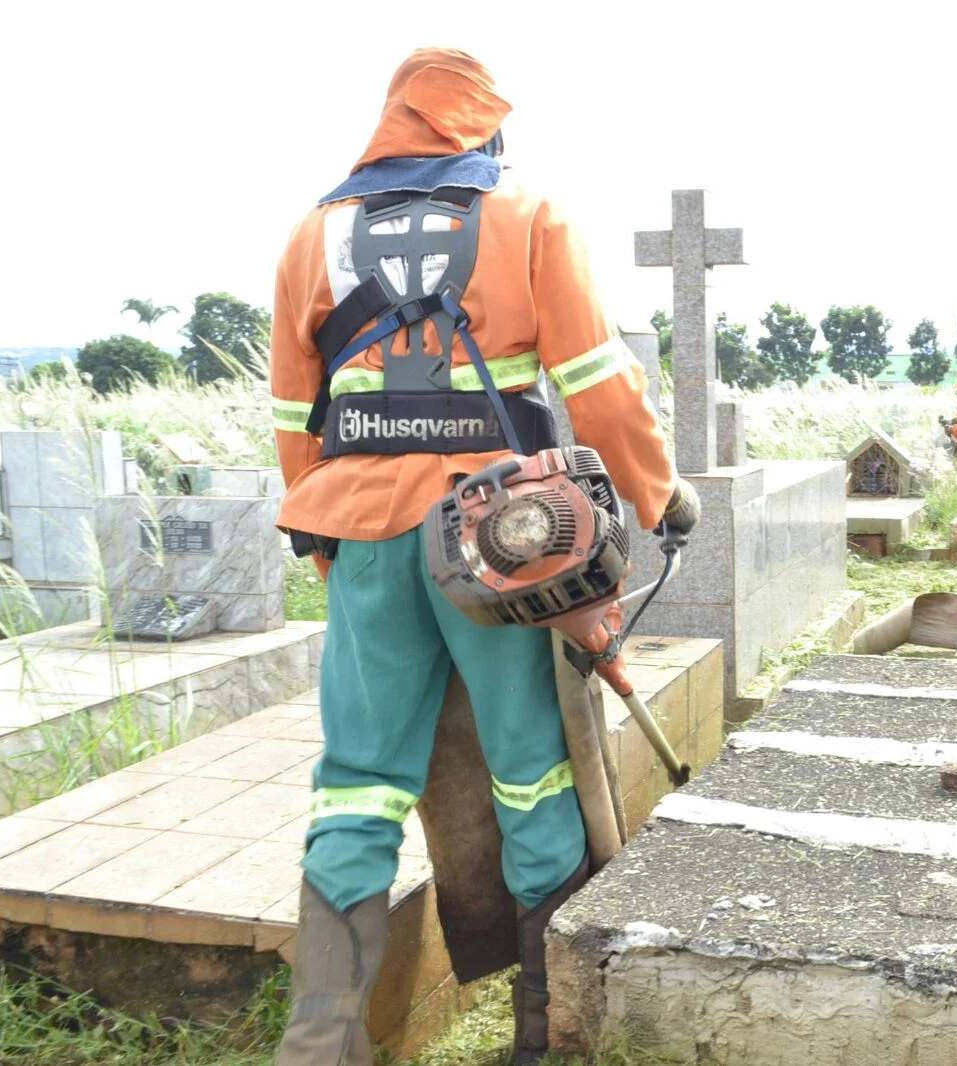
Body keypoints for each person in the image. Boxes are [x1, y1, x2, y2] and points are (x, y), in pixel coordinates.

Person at [269, 48, 698, 1066]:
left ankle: (321, 1039)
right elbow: (598, 385)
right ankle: (544, 1034)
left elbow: (297, 419)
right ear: (479, 128)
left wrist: (332, 549)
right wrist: (658, 495)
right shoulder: (524, 213)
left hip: (364, 532)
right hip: (499, 543)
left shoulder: (312, 234)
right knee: (531, 769)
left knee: (358, 782)